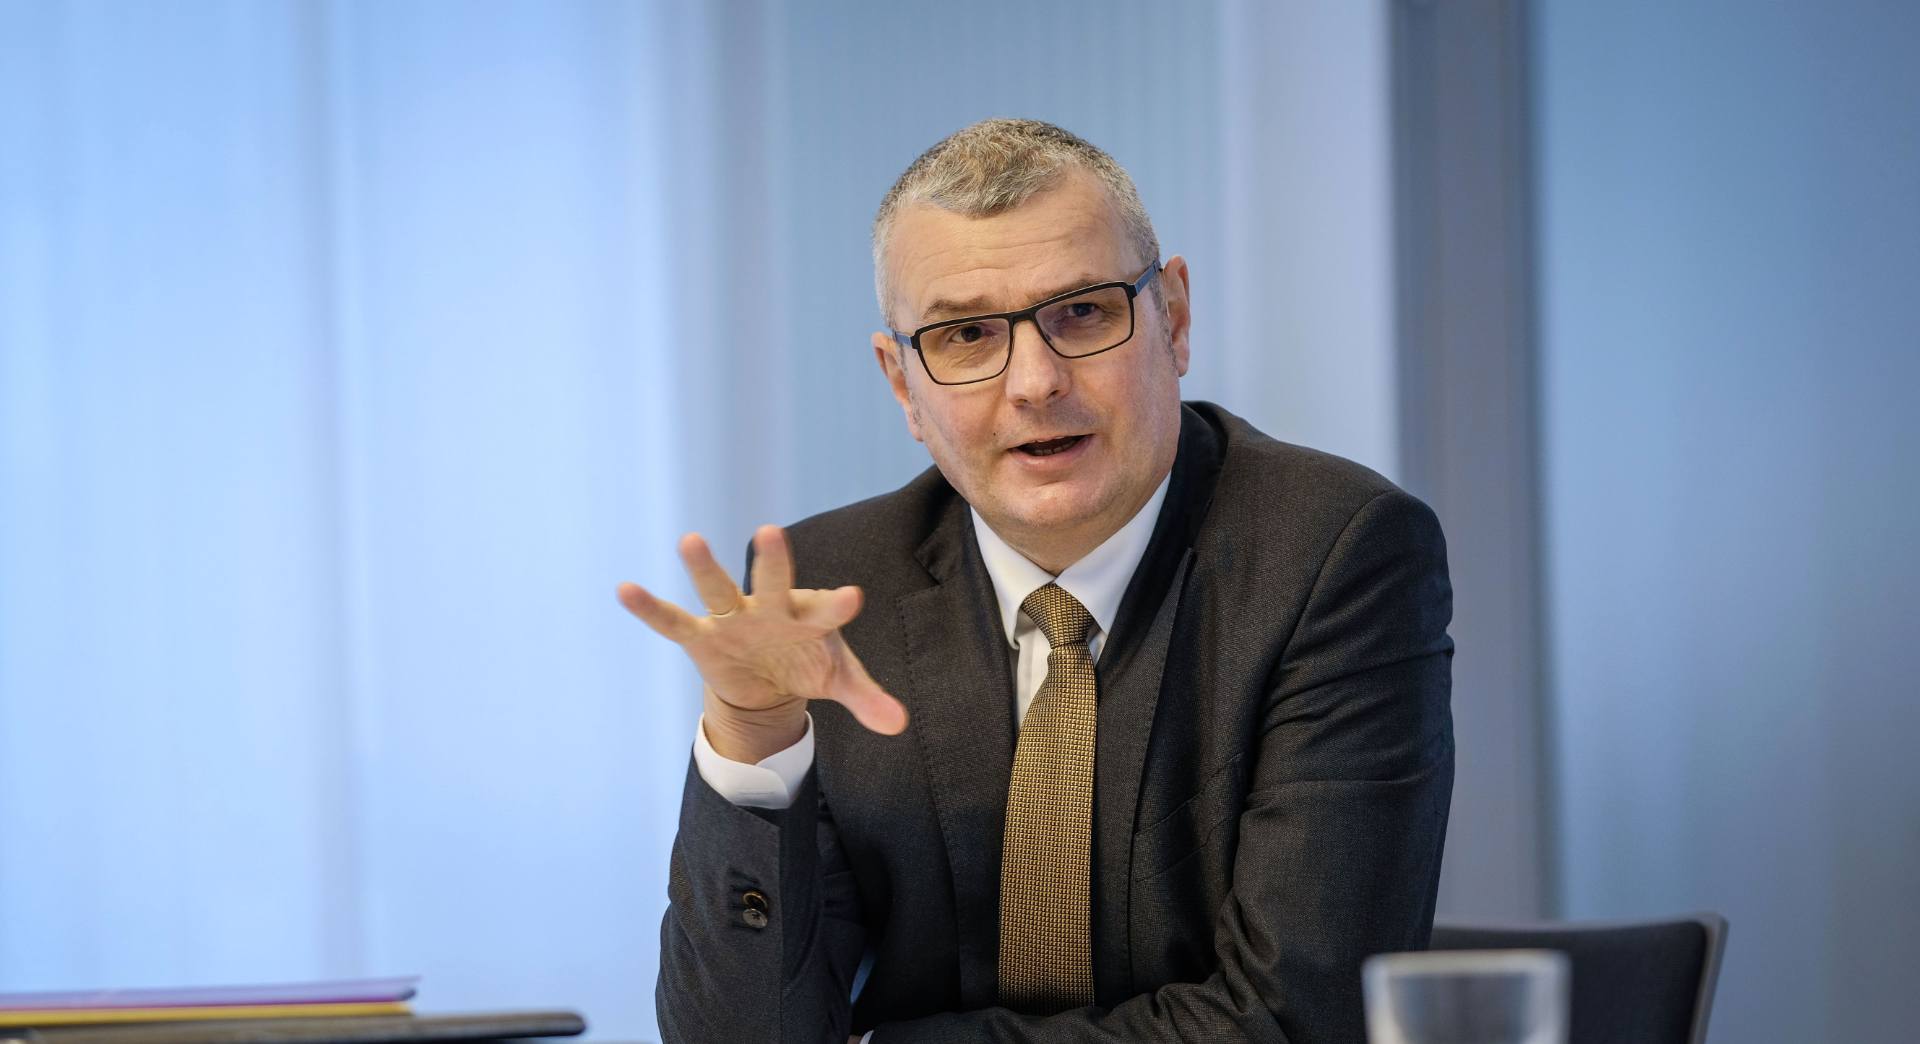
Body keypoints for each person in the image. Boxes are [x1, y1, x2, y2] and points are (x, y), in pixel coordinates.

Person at [620, 119, 1453, 1044]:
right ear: (903, 386)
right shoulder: (831, 592)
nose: (1035, 382)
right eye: (966, 335)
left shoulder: (1333, 554)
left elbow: (1299, 1020)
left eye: (1083, 313)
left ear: (1173, 320)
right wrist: (751, 738)